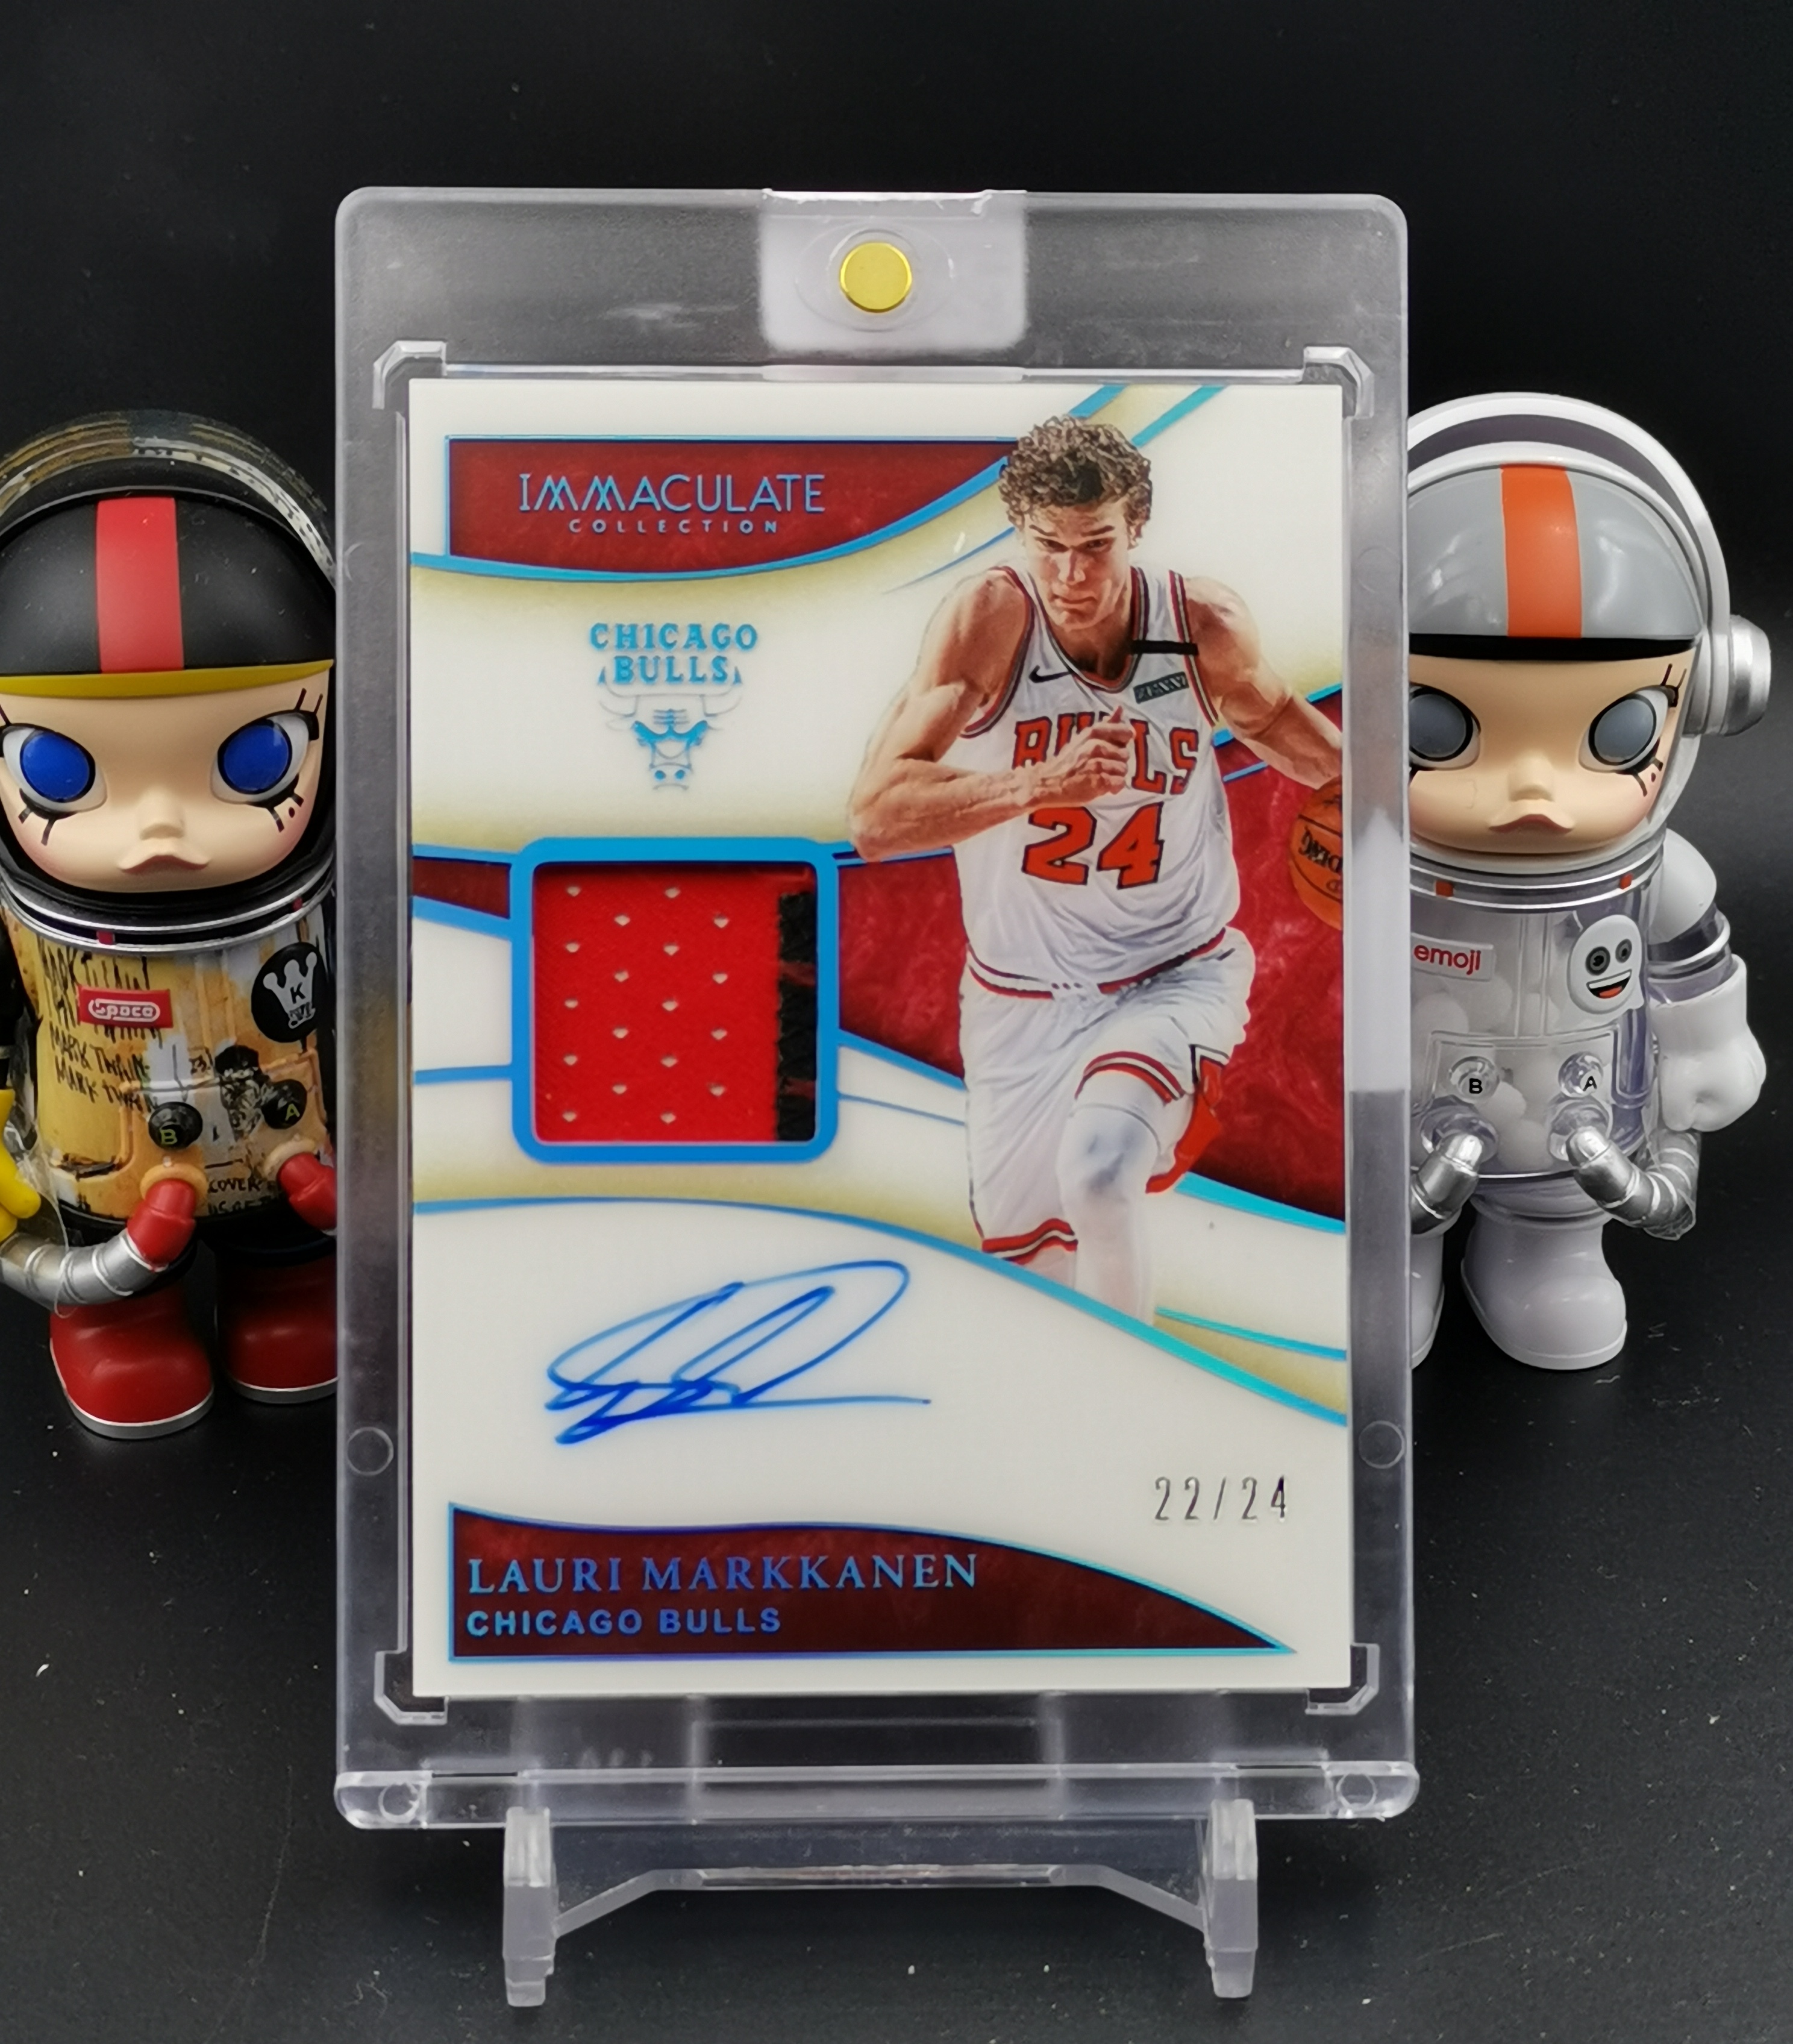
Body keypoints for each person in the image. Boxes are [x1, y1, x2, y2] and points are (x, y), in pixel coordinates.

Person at [848, 415, 1341, 1317]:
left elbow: (1282, 728)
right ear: (1019, 532)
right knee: (1033, 1285)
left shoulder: (1200, 624)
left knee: (1101, 1172)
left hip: (1173, 972)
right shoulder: (989, 620)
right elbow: (878, 816)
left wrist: (1398, 811)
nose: (1072, 576)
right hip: (1020, 1000)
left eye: (1095, 546)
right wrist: (1043, 783)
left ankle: (1135, 1389)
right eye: (1049, 546)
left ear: (1137, 526)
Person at [1406, 394, 1767, 1368]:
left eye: (1617, 732)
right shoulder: (1369, 869)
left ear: (1708, 693)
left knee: (1563, 1212)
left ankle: (1544, 1259)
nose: (1533, 791)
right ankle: (1402, 1260)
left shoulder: (1655, 872)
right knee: (1396, 1202)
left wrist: (1708, 1049)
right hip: (1406, 1127)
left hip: (1580, 1116)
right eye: (1436, 727)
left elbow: (1689, 960)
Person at [0, 412, 339, 1436]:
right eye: (59, 771)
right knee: (112, 1265)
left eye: (257, 760)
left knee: (290, 1251)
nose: (159, 830)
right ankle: (117, 1324)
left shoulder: (342, 885)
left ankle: (286, 1291)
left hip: (294, 1147)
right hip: (95, 1160)